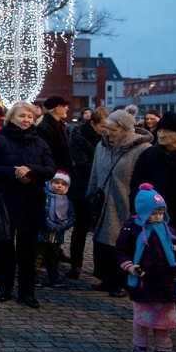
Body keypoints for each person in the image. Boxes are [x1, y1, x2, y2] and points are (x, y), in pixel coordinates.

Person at [0, 101, 56, 308]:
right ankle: (4, 287)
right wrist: (13, 172)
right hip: (5, 199)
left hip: (31, 201)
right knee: (5, 247)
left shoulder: (40, 142)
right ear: (12, 118)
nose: (26, 120)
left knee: (28, 249)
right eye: (22, 116)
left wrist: (31, 171)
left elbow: (50, 169)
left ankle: (27, 292)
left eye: (30, 117)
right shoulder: (1, 140)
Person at [130, 111, 176, 323]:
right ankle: (170, 312)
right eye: (160, 130)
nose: (161, 135)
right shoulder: (150, 155)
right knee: (163, 270)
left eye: (167, 131)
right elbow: (137, 188)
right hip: (158, 223)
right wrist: (139, 217)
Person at [115, 183, 176, 352]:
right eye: (154, 213)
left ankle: (163, 349)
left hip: (165, 283)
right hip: (143, 282)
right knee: (143, 317)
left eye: (161, 213)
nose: (158, 217)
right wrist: (131, 268)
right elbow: (121, 250)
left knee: (164, 319)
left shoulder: (168, 232)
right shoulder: (133, 228)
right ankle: (139, 346)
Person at [87, 109, 152, 297]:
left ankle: (121, 282)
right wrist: (90, 194)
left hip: (125, 202)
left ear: (125, 130)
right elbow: (95, 171)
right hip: (103, 201)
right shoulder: (102, 146)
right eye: (107, 129)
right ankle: (106, 278)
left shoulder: (142, 149)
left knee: (122, 243)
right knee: (102, 242)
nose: (109, 133)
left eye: (114, 130)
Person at [67, 106, 109, 279]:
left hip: (102, 187)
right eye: (102, 127)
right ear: (93, 123)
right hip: (83, 187)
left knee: (102, 229)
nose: (105, 131)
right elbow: (81, 162)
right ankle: (75, 264)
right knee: (81, 227)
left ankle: (101, 268)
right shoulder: (79, 136)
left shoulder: (108, 137)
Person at [35, 171, 75, 287]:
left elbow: (72, 216)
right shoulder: (44, 197)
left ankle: (54, 278)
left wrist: (64, 225)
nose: (59, 186)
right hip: (42, 233)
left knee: (53, 258)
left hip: (56, 236)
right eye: (56, 183)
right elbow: (40, 211)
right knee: (38, 257)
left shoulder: (67, 202)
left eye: (63, 184)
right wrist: (46, 222)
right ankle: (34, 277)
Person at [36, 96, 73, 173]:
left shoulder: (61, 125)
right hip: (54, 171)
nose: (67, 109)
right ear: (57, 109)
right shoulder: (43, 128)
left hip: (65, 170)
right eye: (64, 106)